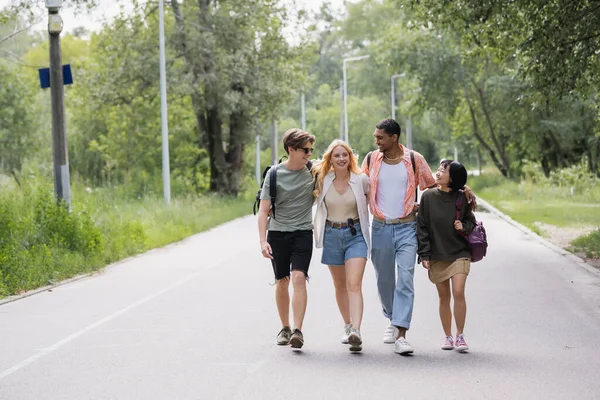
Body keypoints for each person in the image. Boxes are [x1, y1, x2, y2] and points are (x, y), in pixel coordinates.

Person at [361, 118, 476, 355]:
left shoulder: (414, 159)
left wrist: (464, 188)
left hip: (406, 228)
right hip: (380, 227)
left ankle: (402, 333)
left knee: (405, 278)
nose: (376, 141)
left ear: (394, 138)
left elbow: (438, 185)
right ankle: (392, 317)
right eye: (376, 137)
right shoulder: (371, 159)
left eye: (380, 137)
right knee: (384, 280)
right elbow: (357, 183)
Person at [257, 128, 316, 349]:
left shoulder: (314, 172)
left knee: (299, 277)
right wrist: (263, 241)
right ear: (291, 149)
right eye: (305, 150)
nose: (309, 154)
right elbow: (263, 211)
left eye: (311, 150)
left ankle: (298, 331)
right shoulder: (273, 174)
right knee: (282, 281)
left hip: (302, 233)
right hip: (278, 234)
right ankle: (285, 327)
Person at [313, 140, 370, 352]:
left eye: (344, 155)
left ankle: (356, 330)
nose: (341, 159)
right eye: (336, 155)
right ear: (330, 159)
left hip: (355, 235)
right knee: (340, 286)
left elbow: (377, 198)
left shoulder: (361, 180)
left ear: (350, 158)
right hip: (331, 235)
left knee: (354, 283)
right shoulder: (322, 180)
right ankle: (347, 325)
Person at [417, 160, 476, 352]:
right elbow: (422, 227)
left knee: (458, 292)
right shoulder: (428, 197)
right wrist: (424, 254)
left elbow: (471, 222)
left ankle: (460, 336)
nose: (439, 172)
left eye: (444, 170)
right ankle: (448, 337)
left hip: (460, 252)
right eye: (440, 169)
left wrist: (463, 226)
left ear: (453, 178)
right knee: (444, 296)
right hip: (437, 253)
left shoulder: (461, 198)